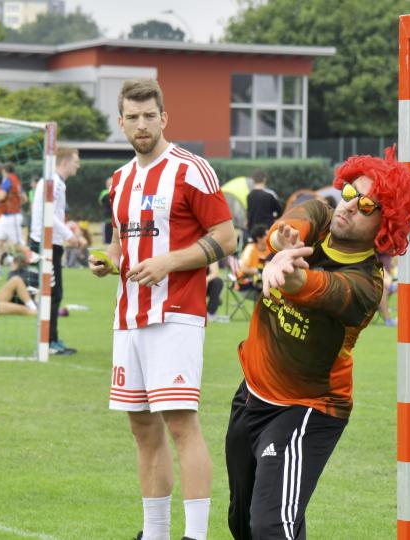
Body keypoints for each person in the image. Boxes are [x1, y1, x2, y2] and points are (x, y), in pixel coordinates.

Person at [224, 147, 410, 539]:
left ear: (387, 224)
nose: (349, 206)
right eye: (350, 193)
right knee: (242, 523)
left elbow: (311, 285)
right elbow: (288, 229)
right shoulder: (320, 215)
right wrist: (282, 244)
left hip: (307, 408)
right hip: (252, 393)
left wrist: (286, 270)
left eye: (366, 205)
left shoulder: (366, 285)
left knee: (271, 527)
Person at [88, 78, 236, 540]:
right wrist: (107, 261)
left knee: (180, 424)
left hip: (176, 315)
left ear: (164, 118)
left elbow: (227, 238)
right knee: (142, 428)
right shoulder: (119, 180)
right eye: (133, 117)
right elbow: (120, 243)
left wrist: (169, 262)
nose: (142, 125)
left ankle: (196, 536)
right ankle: (154, 533)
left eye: (149, 116)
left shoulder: (192, 169)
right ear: (121, 123)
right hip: (128, 317)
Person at [30, 147, 87, 355]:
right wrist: (69, 235)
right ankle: (48, 342)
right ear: (64, 162)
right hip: (44, 245)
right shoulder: (53, 182)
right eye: (75, 161)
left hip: (50, 243)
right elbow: (49, 214)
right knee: (52, 293)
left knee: (54, 293)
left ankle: (51, 338)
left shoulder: (56, 182)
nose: (78, 165)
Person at [246, 169, 282, 236]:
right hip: (267, 229)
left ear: (253, 180)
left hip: (253, 230)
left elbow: (249, 214)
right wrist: (273, 217)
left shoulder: (249, 196)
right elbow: (279, 212)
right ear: (264, 179)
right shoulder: (270, 194)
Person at [99, 176, 114, 244]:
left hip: (108, 216)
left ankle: (107, 241)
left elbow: (100, 201)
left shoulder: (104, 193)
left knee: (108, 230)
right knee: (111, 230)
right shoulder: (116, 191)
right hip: (112, 217)